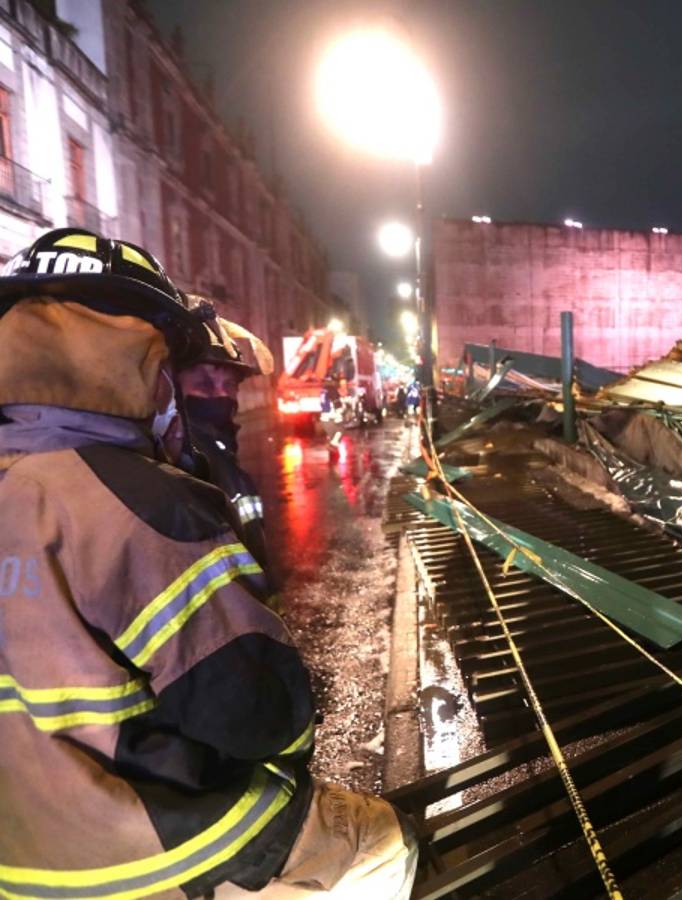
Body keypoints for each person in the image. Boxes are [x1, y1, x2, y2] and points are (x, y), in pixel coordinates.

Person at [0, 228, 417, 899]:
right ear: (137, 353)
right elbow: (262, 717)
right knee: (379, 846)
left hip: (15, 855)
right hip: (131, 853)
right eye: (180, 363)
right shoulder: (140, 502)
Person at [178, 298, 277, 599]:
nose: (221, 397)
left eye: (229, 385)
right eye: (205, 385)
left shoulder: (221, 458)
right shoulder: (187, 463)